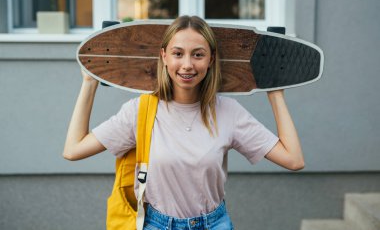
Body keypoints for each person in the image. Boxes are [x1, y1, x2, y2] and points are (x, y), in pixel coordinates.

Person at [63, 15, 304, 230]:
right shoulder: (140, 111)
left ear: (210, 59)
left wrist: (275, 92)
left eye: (198, 54)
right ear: (164, 56)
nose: (187, 64)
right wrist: (89, 82)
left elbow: (293, 159)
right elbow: (73, 150)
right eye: (178, 53)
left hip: (214, 224)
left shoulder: (229, 112)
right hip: (157, 224)